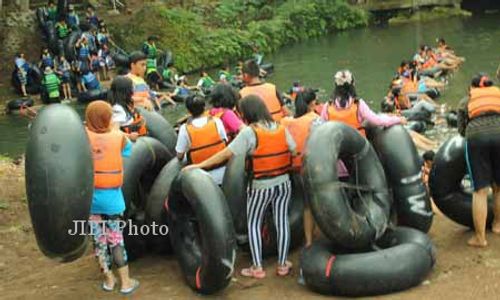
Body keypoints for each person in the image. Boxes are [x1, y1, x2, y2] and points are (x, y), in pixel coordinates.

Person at [184, 95, 296, 278]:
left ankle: (257, 267)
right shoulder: (281, 128)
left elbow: (226, 154)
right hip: (283, 183)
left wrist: (198, 165)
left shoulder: (250, 132)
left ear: (248, 113)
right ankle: (283, 264)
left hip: (261, 185)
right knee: (281, 220)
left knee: (253, 223)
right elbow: (293, 149)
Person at [84, 101, 140, 295]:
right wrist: (118, 131)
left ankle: (109, 280)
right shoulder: (119, 137)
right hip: (112, 201)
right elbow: (128, 151)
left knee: (99, 241)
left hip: (91, 201)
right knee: (116, 240)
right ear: (108, 118)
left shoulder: (82, 137)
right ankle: (125, 283)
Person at [322, 70, 405, 178]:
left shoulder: (327, 107)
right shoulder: (358, 104)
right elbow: (377, 120)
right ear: (353, 85)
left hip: (337, 164)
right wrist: (397, 119)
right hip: (358, 160)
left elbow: (321, 130)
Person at [457, 74, 500, 247]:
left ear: (473, 87)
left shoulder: (466, 100)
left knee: (480, 190)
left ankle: (480, 238)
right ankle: (498, 225)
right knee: (499, 187)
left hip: (477, 138)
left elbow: (461, 129)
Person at [280, 89, 323, 248]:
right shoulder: (316, 120)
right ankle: (321, 236)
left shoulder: (286, 121)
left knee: (306, 205)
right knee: (316, 203)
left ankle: (309, 241)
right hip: (311, 168)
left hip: (293, 170)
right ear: (312, 103)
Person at [176, 96, 228, 185]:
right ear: (205, 107)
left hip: (201, 177)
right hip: (224, 171)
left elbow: (179, 155)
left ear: (188, 111)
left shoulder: (184, 129)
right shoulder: (216, 121)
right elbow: (225, 141)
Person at [108, 76, 148, 141]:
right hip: (128, 141)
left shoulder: (124, 104)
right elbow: (114, 131)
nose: (133, 89)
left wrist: (138, 122)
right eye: (132, 87)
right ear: (125, 91)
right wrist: (129, 136)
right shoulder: (118, 109)